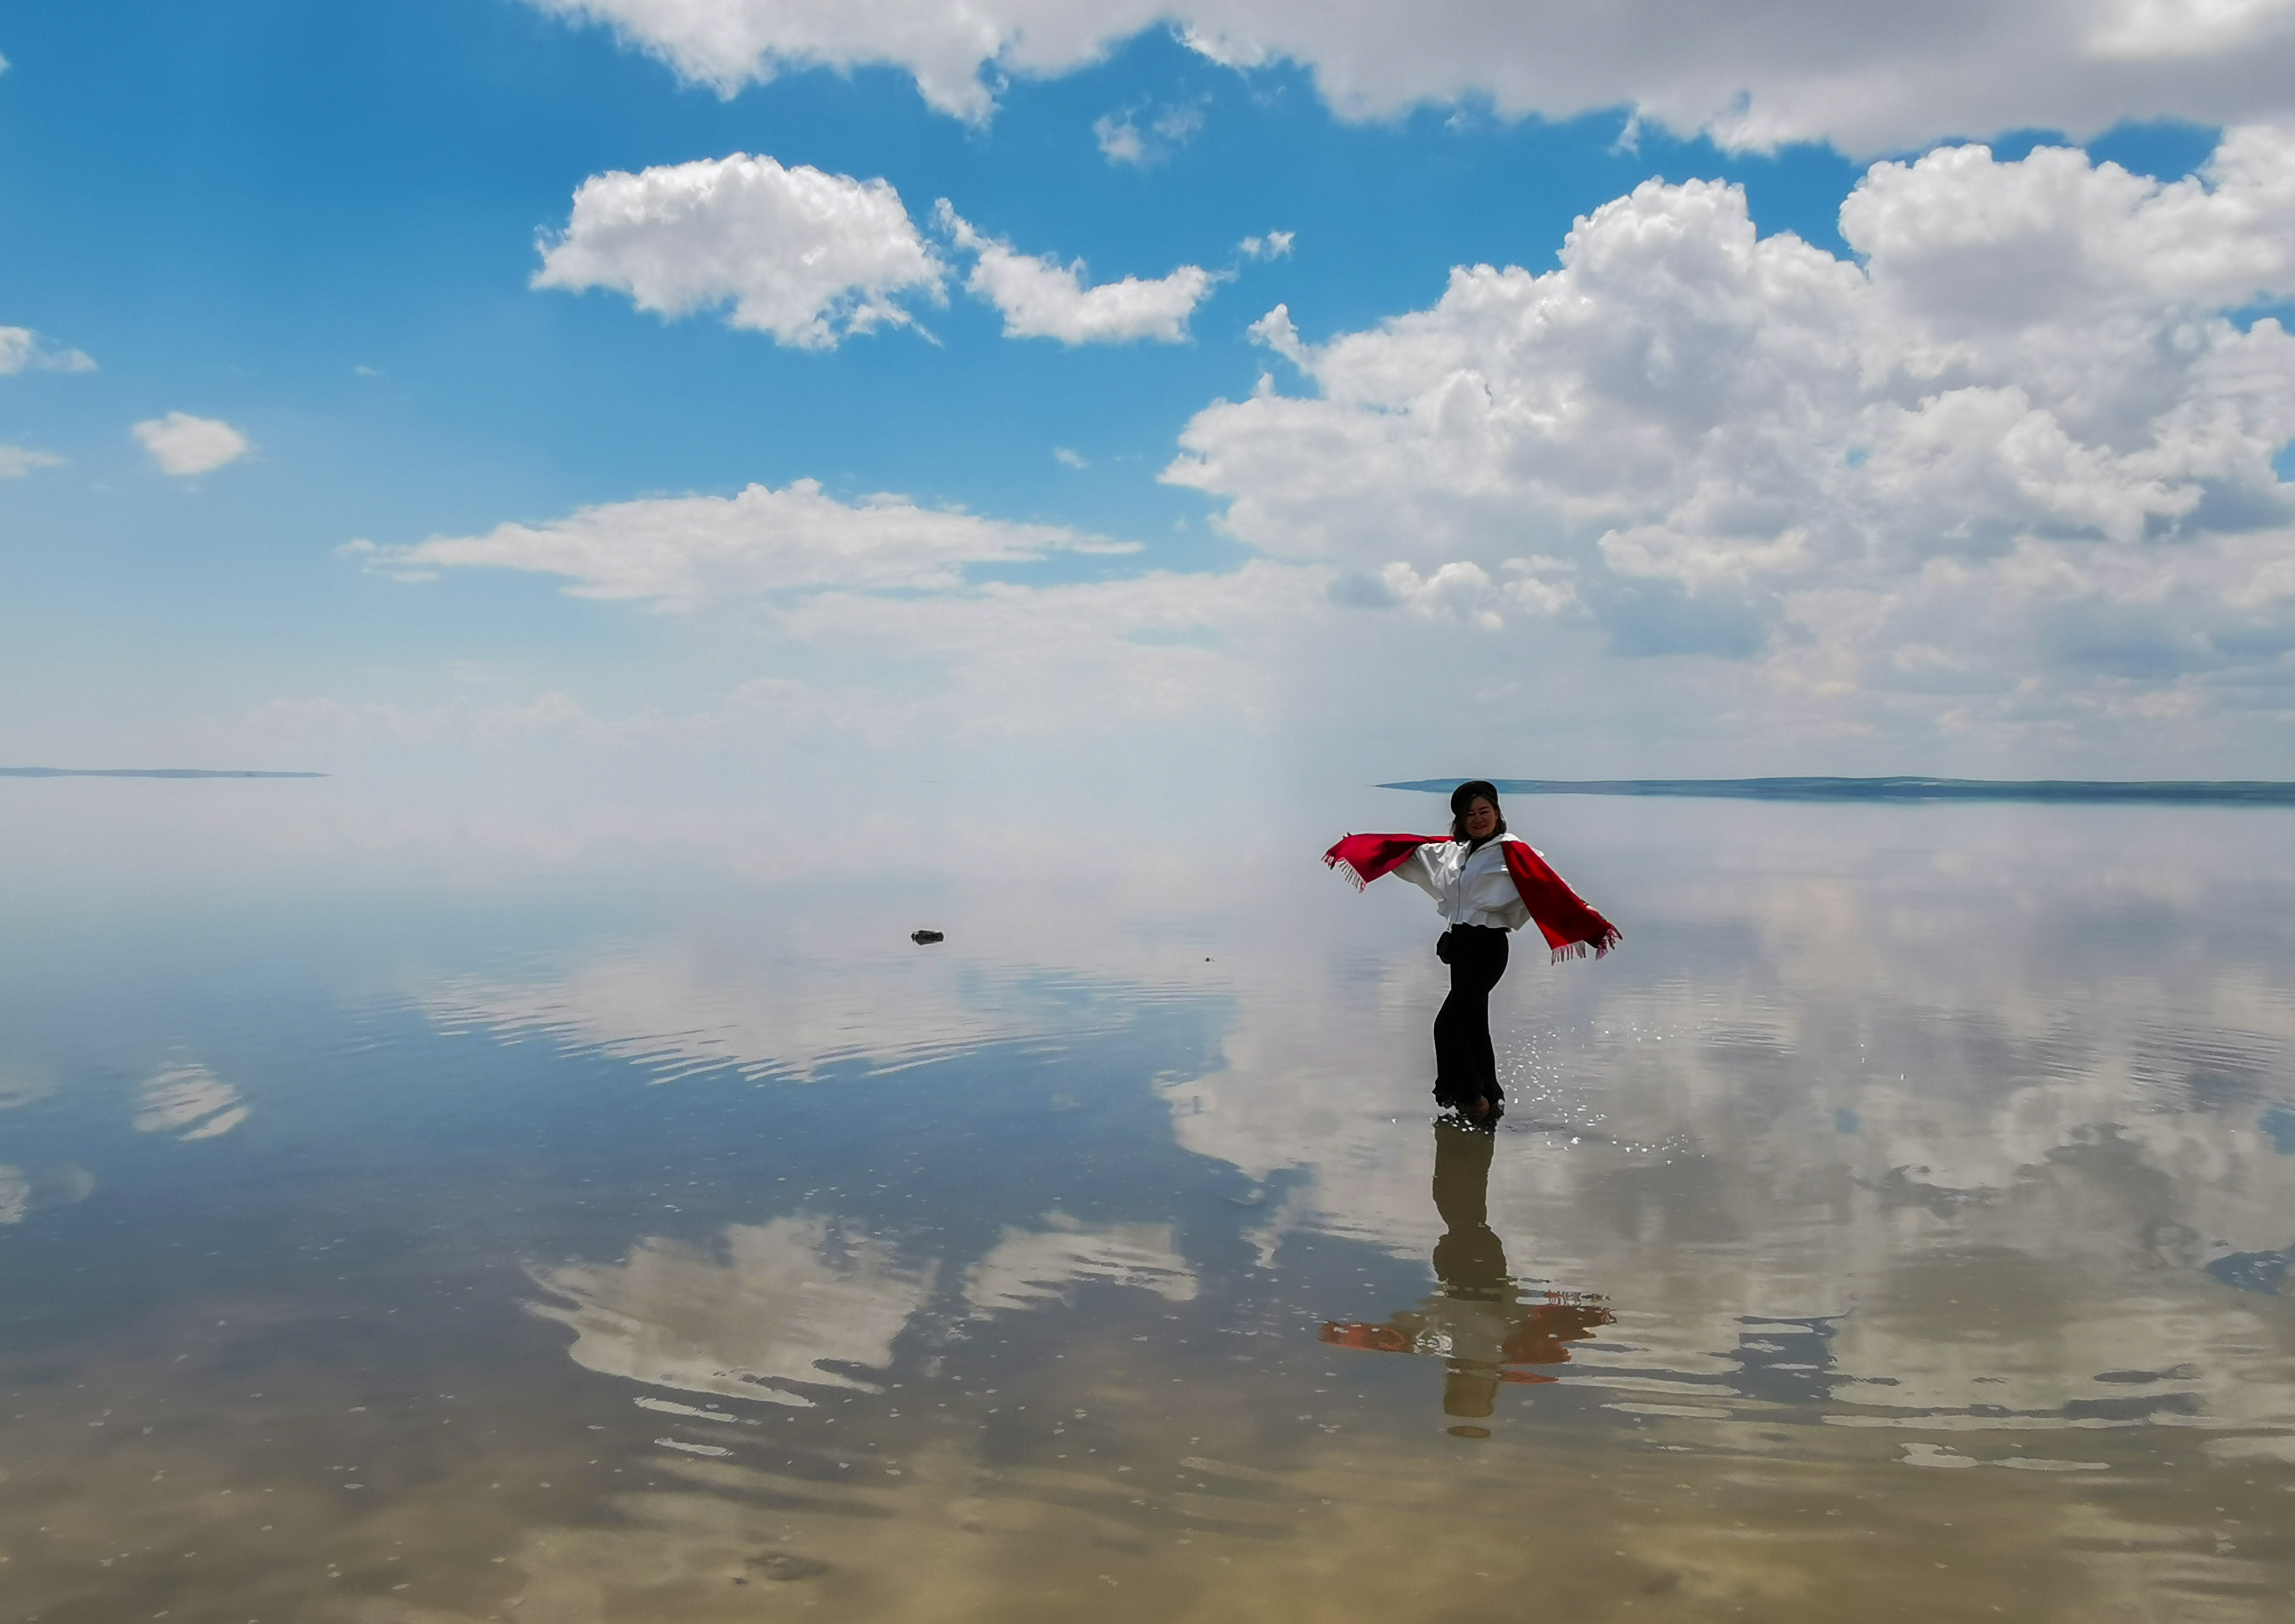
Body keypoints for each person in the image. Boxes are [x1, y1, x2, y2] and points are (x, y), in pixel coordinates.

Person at [1324, 781, 1619, 1124]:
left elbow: (1551, 888)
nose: (1478, 820)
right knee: (1474, 1027)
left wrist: (1592, 924)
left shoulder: (1512, 851)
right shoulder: (1456, 852)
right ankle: (1491, 1096)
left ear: (1497, 814)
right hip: (1460, 946)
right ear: (1460, 821)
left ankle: (1471, 1099)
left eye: (1485, 812)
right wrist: (1358, 847)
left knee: (1447, 1027)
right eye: (1470, 815)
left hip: (1488, 949)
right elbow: (1410, 852)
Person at [1319, 1123, 1613, 1431]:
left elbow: (1390, 1339)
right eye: (1475, 1392)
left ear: (1452, 1382)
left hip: (1462, 1272)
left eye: (1464, 1391)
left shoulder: (1441, 1345)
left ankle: (1468, 1135)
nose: (1471, 1384)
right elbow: (1395, 1339)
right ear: (1488, 1389)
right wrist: (1596, 1314)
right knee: (1462, 1212)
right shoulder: (1502, 1348)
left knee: (1459, 1211)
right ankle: (1470, 1136)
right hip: (1480, 1272)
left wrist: (1344, 1336)